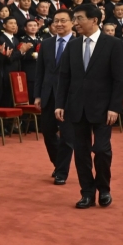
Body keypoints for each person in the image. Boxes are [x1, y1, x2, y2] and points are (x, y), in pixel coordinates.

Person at [55, 3, 123, 209]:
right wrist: (60, 103)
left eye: (79, 18)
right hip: (76, 107)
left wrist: (115, 107)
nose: (75, 23)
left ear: (94, 20)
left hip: (104, 109)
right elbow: (64, 77)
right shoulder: (73, 45)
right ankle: (87, 192)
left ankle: (104, 189)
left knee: (102, 150)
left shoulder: (113, 44)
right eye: (74, 18)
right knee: (81, 152)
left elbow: (120, 80)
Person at [34, 10, 75, 185]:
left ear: (72, 23)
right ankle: (59, 163)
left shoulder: (78, 43)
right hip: (48, 94)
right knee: (48, 132)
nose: (59, 24)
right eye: (56, 21)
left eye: (63, 21)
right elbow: (40, 71)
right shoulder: (47, 43)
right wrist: (37, 94)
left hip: (69, 97)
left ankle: (61, 172)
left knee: (67, 135)